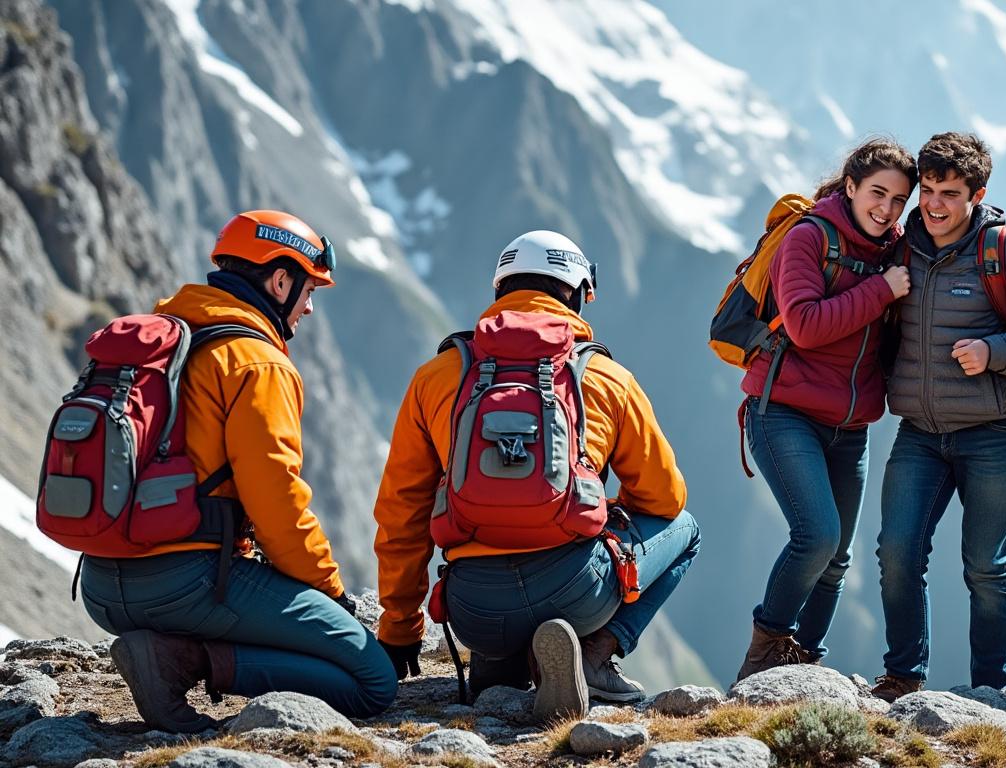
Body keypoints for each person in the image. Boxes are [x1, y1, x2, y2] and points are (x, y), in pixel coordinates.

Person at [79, 210, 397, 732]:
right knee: (373, 681)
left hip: (100, 584)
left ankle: (168, 646)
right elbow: (277, 502)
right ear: (279, 279)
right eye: (309, 289)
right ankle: (181, 660)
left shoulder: (161, 340)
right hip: (183, 583)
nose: (310, 307)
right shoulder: (256, 361)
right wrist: (332, 593)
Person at [373, 230, 697, 721]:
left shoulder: (436, 376)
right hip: (577, 592)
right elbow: (665, 498)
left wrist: (399, 629)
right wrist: (599, 510)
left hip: (474, 608)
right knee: (686, 529)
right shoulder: (608, 378)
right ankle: (592, 655)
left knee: (496, 641)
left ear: (500, 291)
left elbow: (402, 512)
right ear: (577, 295)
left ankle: (501, 661)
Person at [874, 133, 1006, 700]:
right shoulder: (901, 250)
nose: (932, 204)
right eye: (926, 190)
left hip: (995, 434)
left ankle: (989, 695)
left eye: (949, 193)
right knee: (897, 553)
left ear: (978, 193)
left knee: (986, 569)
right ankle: (904, 677)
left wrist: (993, 354)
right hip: (920, 434)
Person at [735, 138, 916, 681]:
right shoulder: (807, 237)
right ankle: (762, 657)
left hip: (851, 425)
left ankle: (803, 667)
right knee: (816, 536)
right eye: (877, 193)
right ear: (851, 186)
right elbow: (805, 326)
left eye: (899, 200)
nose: (886, 208)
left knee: (837, 559)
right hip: (783, 411)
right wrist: (881, 291)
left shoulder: (894, 248)